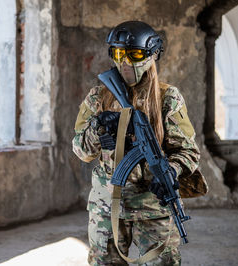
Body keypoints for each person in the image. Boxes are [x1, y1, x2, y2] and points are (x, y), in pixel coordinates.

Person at [72, 21, 207, 266]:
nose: (125, 62)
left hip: (153, 207)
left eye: (134, 54)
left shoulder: (168, 98)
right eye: (118, 54)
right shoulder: (97, 97)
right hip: (107, 206)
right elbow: (82, 151)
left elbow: (188, 152)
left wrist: (170, 170)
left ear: (153, 55)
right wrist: (97, 127)